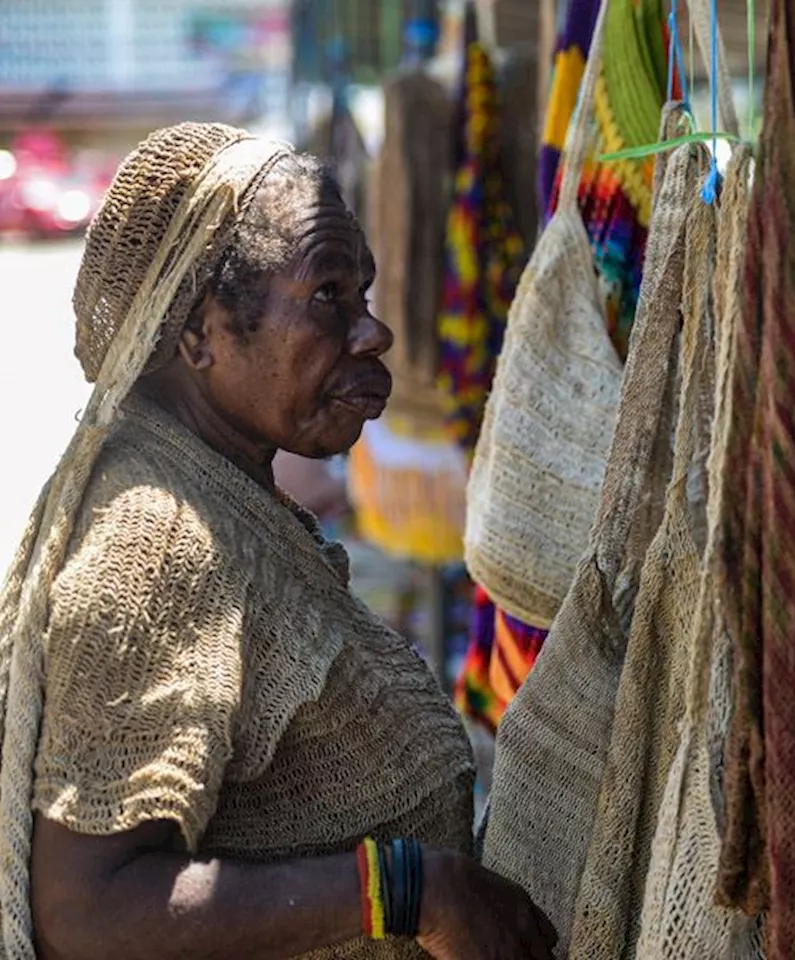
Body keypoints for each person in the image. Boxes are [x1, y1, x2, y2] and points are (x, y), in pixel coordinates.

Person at [0, 123, 555, 959]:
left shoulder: (220, 492)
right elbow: (86, 911)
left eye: (362, 295)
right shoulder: (159, 541)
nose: (372, 334)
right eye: (328, 296)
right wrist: (411, 892)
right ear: (198, 333)